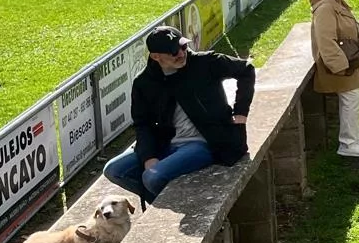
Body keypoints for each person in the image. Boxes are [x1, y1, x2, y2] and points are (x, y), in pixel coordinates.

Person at [104, 25, 255, 204]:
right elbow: (142, 123)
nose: (181, 54)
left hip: (205, 142)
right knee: (113, 170)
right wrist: (148, 157)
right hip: (165, 143)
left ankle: (171, 207)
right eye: (173, 52)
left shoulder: (205, 62)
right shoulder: (144, 82)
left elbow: (246, 69)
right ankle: (162, 205)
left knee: (152, 178)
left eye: (183, 46)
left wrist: (240, 114)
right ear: (155, 57)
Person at [309, 0, 359, 158]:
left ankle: (355, 138)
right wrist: (340, 67)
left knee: (353, 99)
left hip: (348, 63)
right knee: (350, 100)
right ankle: (347, 143)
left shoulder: (336, 4)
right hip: (339, 66)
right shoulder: (325, 9)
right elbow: (326, 41)